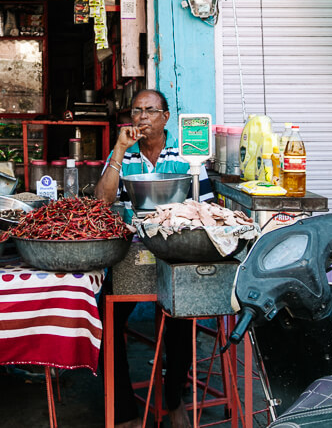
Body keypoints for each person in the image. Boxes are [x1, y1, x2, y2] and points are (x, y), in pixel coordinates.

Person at [96, 88, 213, 428]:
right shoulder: (127, 156)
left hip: (175, 249)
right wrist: (118, 150)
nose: (142, 117)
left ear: (166, 117)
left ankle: (174, 398)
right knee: (107, 317)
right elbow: (102, 201)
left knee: (180, 316)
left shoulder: (186, 153)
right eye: (136, 111)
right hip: (132, 252)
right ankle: (124, 412)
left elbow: (204, 206)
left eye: (150, 110)